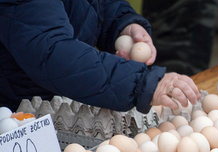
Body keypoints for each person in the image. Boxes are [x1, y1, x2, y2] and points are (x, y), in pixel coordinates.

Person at [0, 0, 200, 113]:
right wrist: (141, 83)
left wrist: (121, 24)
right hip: (14, 110)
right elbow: (51, 52)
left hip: (53, 99)